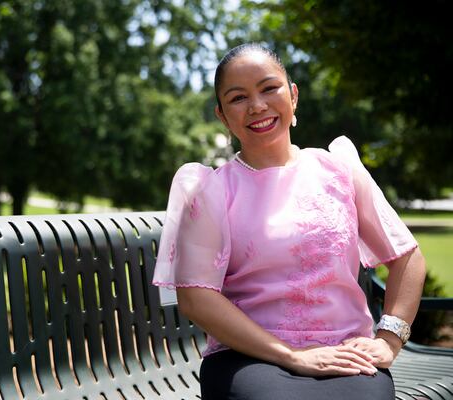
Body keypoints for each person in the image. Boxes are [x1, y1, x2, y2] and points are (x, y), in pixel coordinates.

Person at [152, 43, 426, 400]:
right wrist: (294, 356)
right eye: (238, 98)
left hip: (346, 353)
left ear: (293, 95)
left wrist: (389, 338)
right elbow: (195, 298)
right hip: (247, 357)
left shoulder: (339, 170)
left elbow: (407, 256)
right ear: (222, 116)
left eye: (269, 88)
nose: (257, 106)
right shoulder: (210, 189)